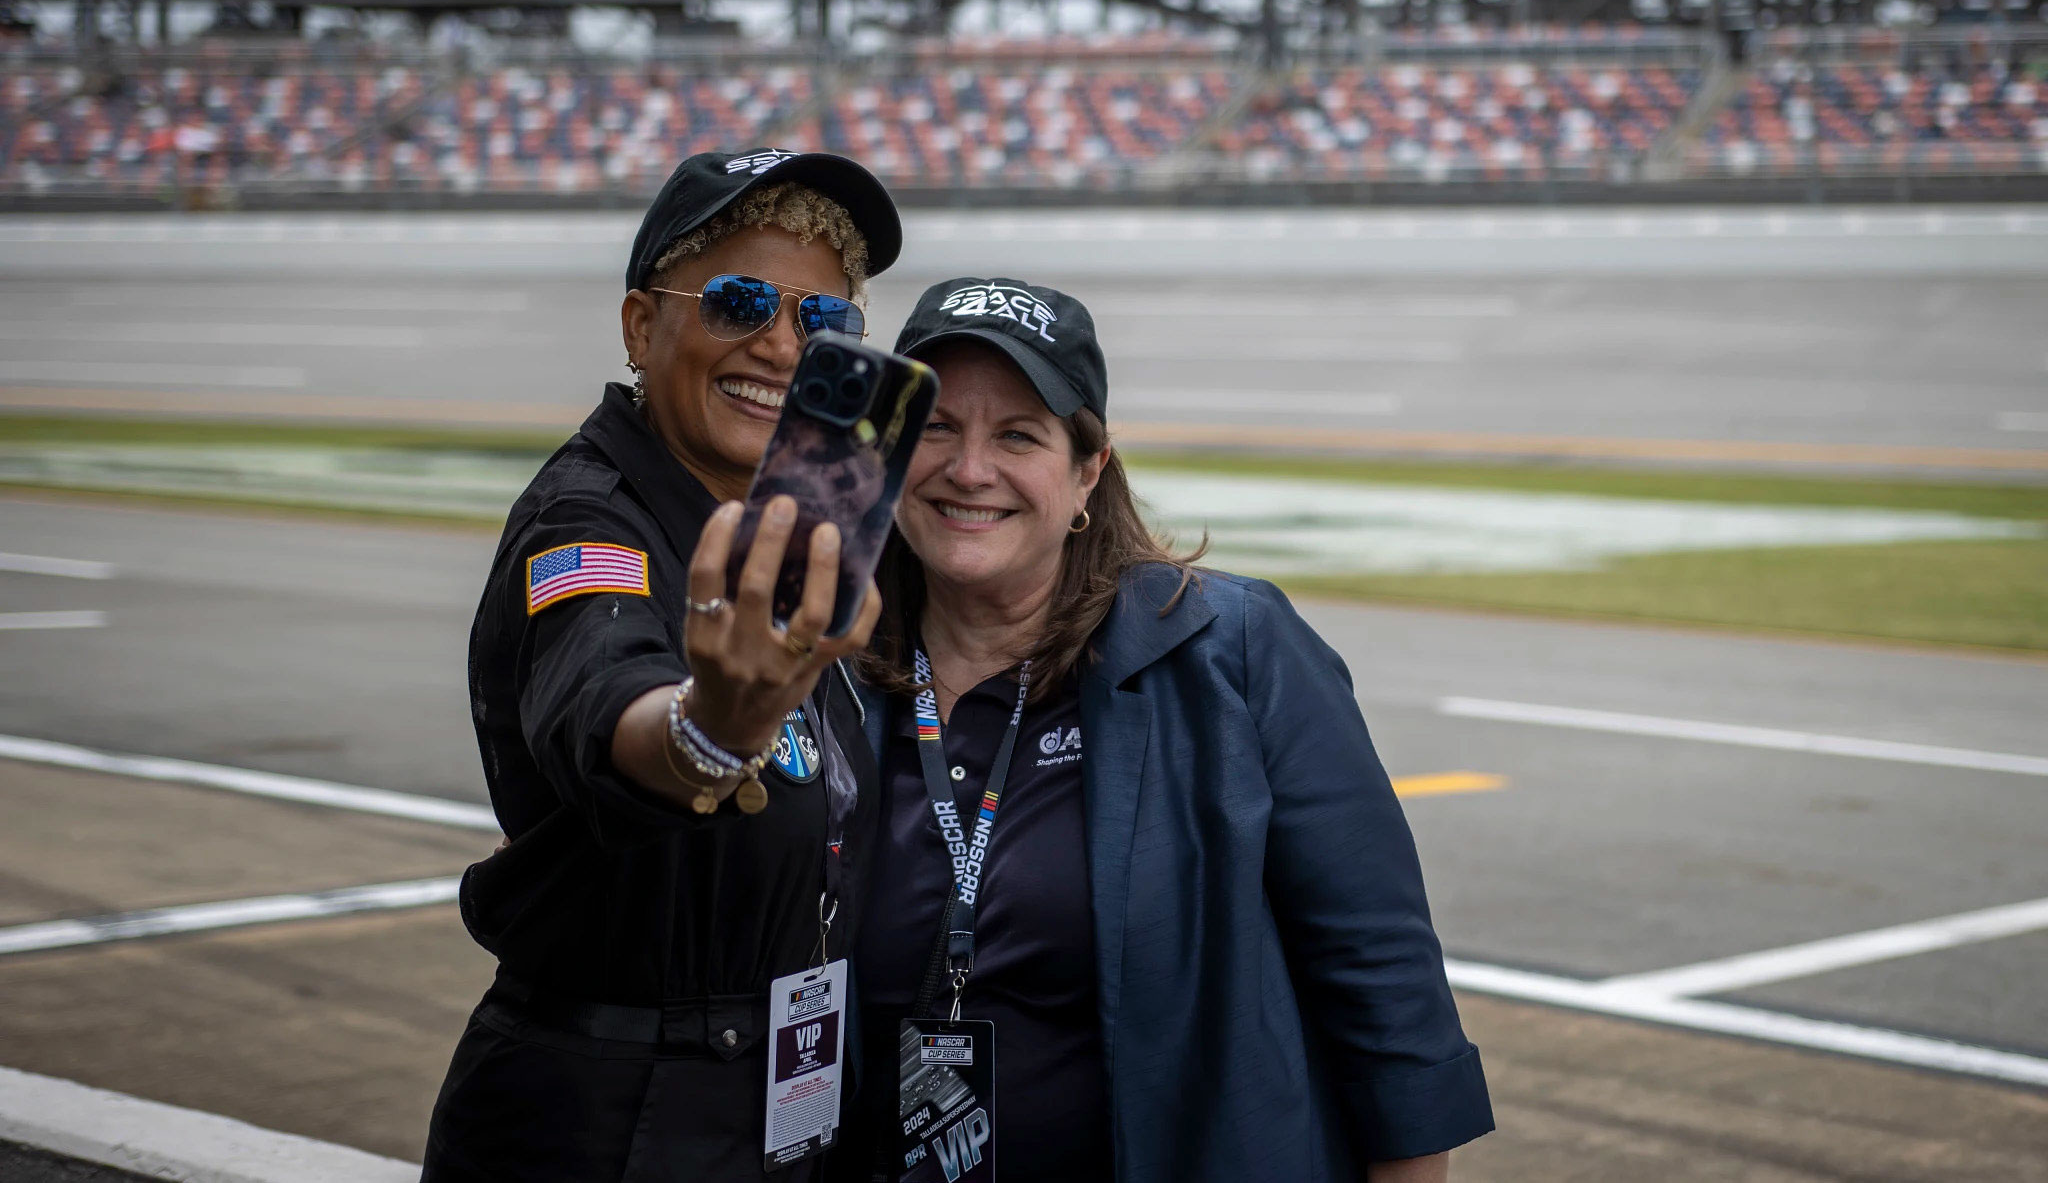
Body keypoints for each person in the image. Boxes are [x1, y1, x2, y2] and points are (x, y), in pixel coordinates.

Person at [837, 279, 1493, 1183]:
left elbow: (1383, 981)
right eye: (938, 428)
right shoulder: (822, 664)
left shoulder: (1232, 649)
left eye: (1018, 434)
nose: (969, 467)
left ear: (1086, 473)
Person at [424, 149, 906, 1183]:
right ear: (643, 327)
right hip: (610, 1120)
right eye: (739, 302)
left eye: (824, 321)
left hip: (764, 1098)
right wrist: (710, 730)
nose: (781, 346)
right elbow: (608, 699)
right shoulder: (588, 524)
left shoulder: (798, 517)